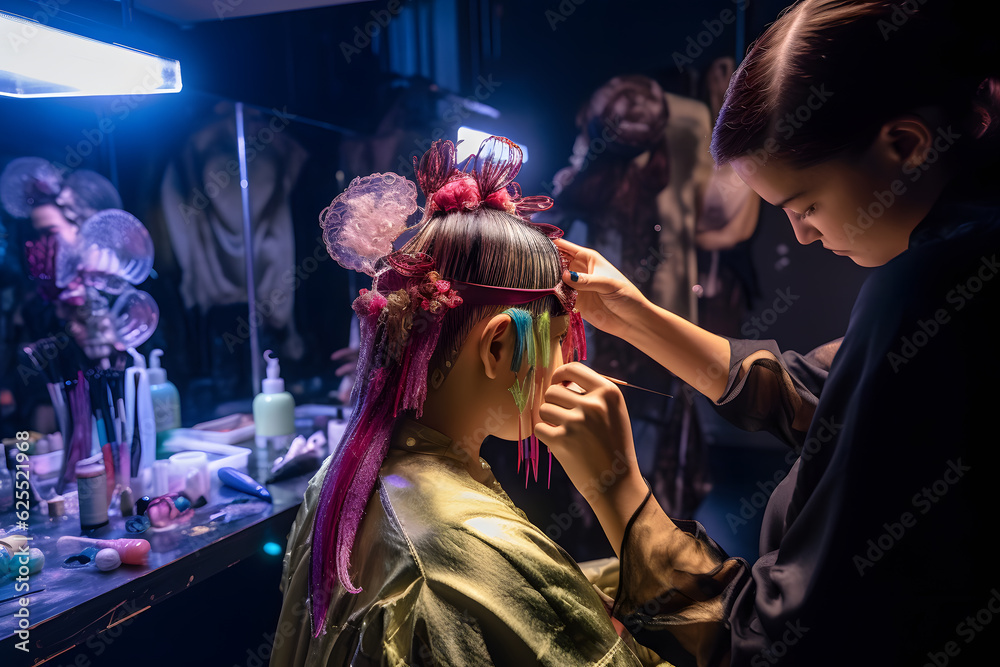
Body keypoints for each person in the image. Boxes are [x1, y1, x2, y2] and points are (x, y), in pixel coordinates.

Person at [536, 1, 1000, 665]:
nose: (802, 234)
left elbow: (781, 640)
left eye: (806, 204)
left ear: (905, 144)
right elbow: (820, 393)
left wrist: (615, 486)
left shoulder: (929, 288)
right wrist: (630, 311)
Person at [270, 137, 667, 666]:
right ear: (500, 345)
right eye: (557, 340)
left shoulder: (339, 478)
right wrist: (620, 492)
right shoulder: (470, 544)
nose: (568, 366)